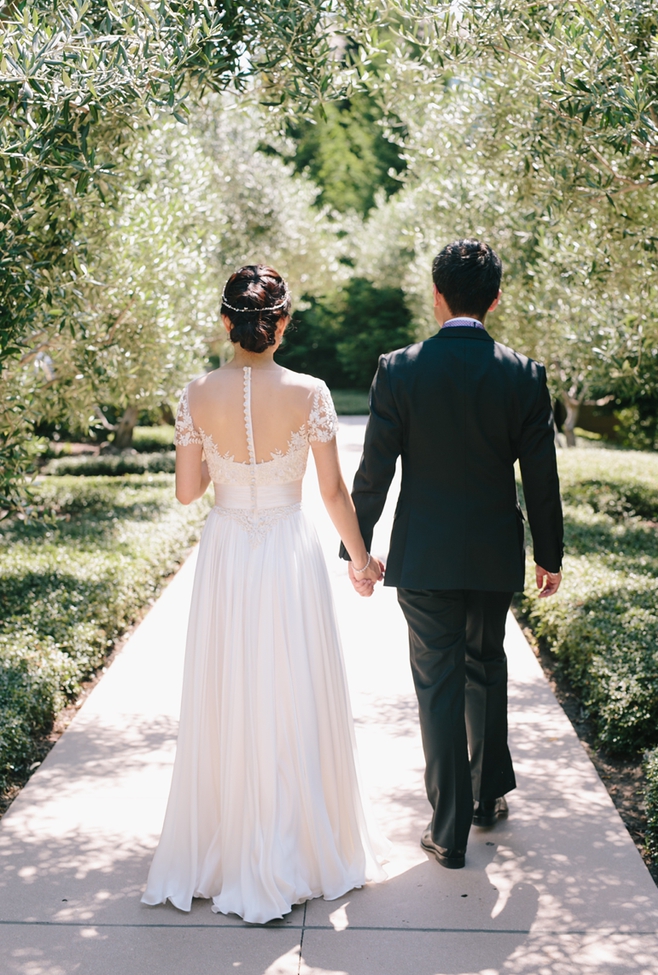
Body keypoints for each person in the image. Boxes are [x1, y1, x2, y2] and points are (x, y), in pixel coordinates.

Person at [142, 265, 387, 924]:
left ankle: (225, 847)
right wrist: (361, 560)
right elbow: (333, 492)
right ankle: (298, 844)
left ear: (227, 321)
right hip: (287, 547)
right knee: (292, 685)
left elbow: (188, 493)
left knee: (228, 687)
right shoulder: (309, 392)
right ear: (281, 322)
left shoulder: (195, 393)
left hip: (227, 548)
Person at [341, 239, 564, 869]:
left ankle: (448, 830)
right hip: (494, 554)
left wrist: (357, 551)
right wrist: (550, 555)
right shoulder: (523, 373)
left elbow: (374, 471)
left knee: (436, 684)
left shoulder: (400, 368)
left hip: (424, 556)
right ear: (495, 299)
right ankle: (488, 798)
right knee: (485, 667)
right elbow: (541, 479)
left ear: (435, 295)